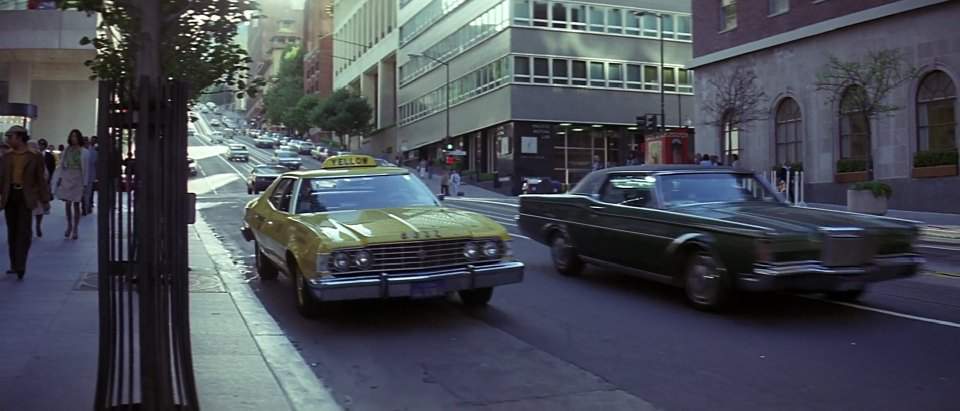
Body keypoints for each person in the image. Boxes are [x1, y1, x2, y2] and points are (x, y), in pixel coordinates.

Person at [0, 126, 52, 279]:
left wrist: (45, 199)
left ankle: (21, 264)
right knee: (12, 231)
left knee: (24, 231)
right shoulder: (6, 157)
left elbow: (40, 179)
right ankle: (14, 264)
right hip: (10, 195)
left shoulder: (34, 156)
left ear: (20, 138)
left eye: (11, 136)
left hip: (26, 195)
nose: (8, 139)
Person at [52, 129, 89, 240]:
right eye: (72, 136)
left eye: (76, 136)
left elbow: (86, 169)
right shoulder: (67, 150)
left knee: (76, 204)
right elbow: (61, 165)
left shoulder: (84, 152)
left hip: (78, 178)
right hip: (67, 176)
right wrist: (59, 178)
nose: (74, 138)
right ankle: (69, 225)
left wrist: (85, 183)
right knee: (68, 203)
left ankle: (75, 229)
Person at [26, 141, 51, 237]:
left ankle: (37, 225)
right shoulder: (25, 158)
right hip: (29, 189)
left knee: (38, 209)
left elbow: (45, 173)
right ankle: (32, 227)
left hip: (37, 189)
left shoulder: (39, 158)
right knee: (30, 210)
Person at [82, 135, 98, 215]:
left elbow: (95, 163)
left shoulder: (94, 152)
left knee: (88, 193)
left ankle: (86, 207)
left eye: (86, 141)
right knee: (82, 193)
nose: (85, 143)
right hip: (80, 176)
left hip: (90, 175)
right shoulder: (80, 151)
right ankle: (84, 207)